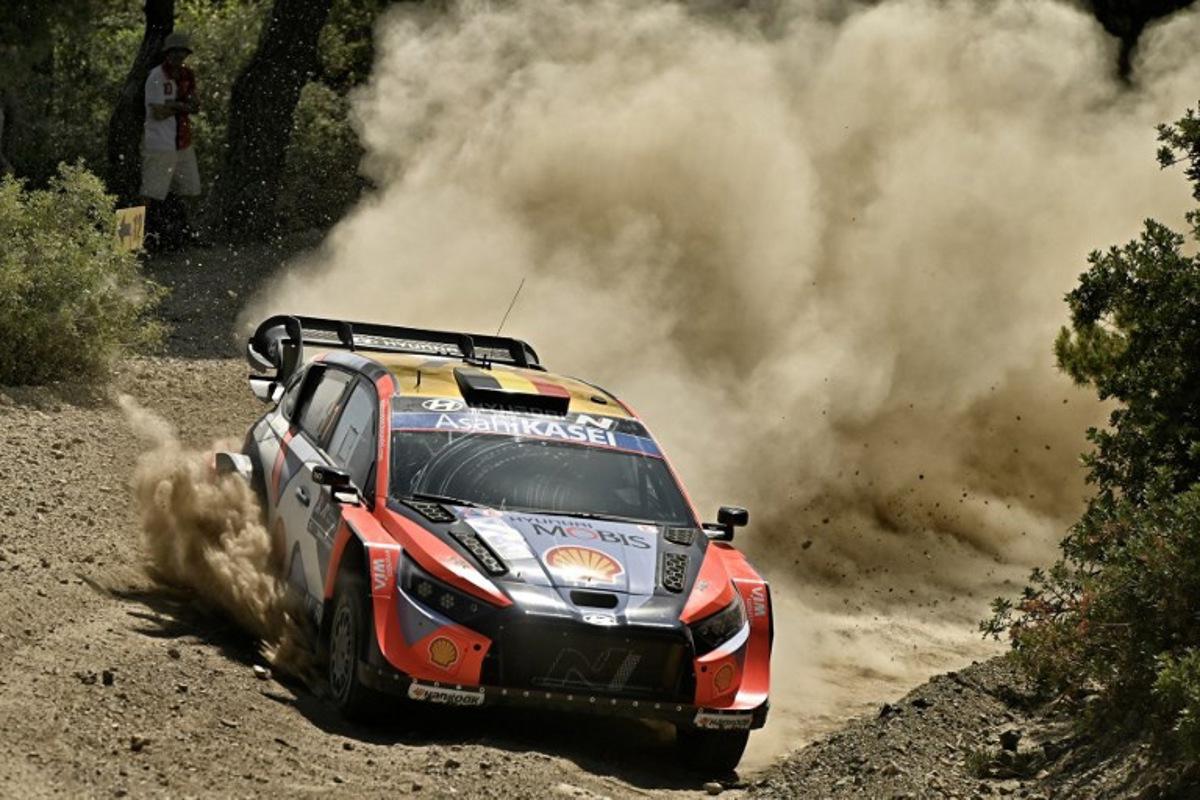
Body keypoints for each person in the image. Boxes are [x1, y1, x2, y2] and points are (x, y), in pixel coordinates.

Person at [142, 31, 200, 250]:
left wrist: (174, 105)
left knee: (191, 190)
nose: (179, 56)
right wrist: (181, 105)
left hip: (183, 141)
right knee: (150, 192)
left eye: (182, 52)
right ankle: (136, 239)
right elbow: (158, 112)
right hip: (160, 143)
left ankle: (184, 233)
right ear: (167, 53)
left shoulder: (187, 75)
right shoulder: (156, 76)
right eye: (175, 52)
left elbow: (195, 105)